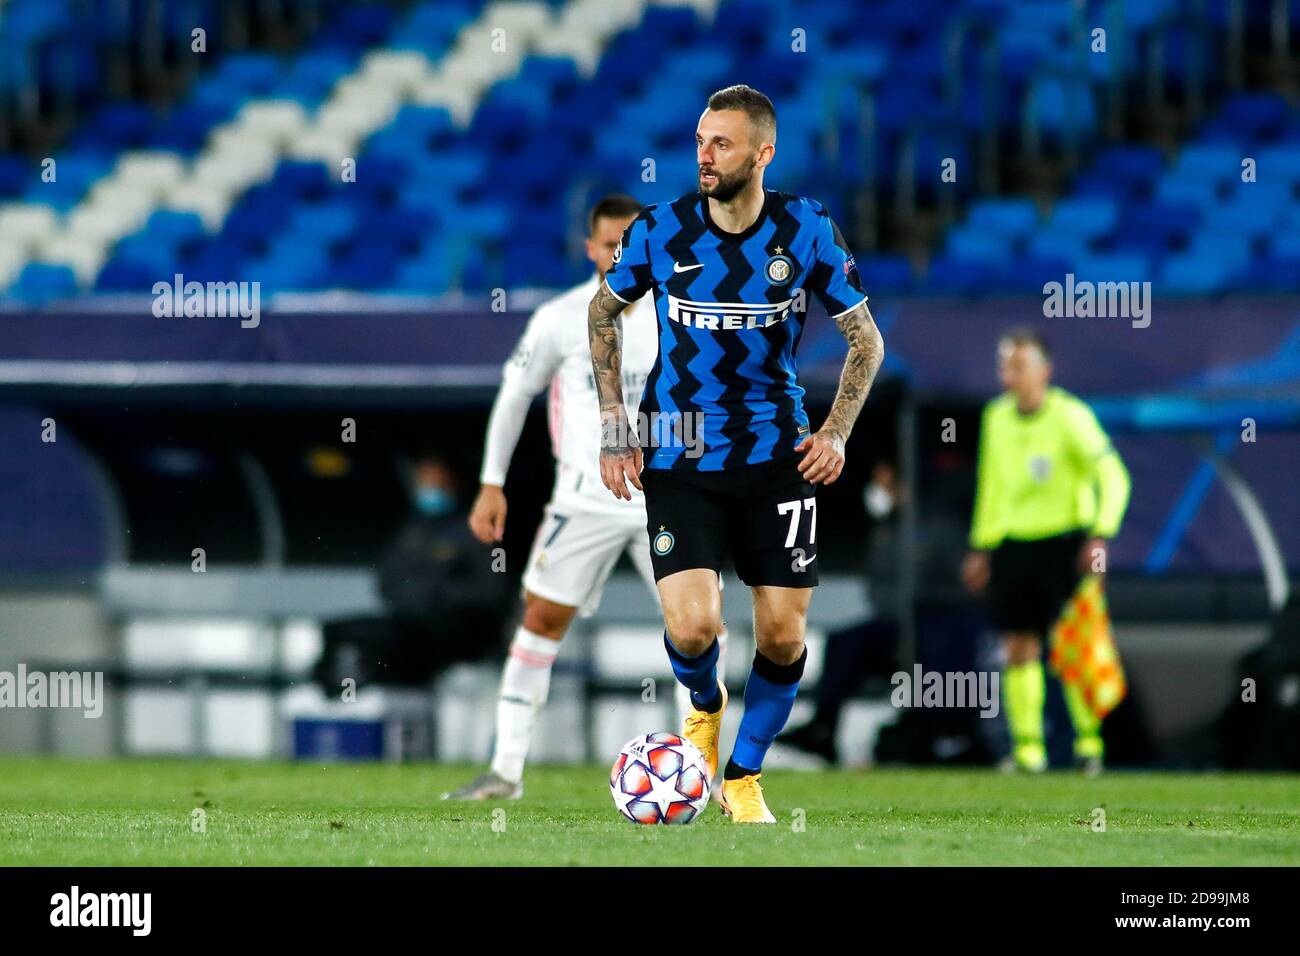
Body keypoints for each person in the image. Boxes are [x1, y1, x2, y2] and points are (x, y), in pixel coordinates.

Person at [589, 85, 885, 822]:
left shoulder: (806, 228)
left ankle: (743, 774)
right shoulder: (661, 231)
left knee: (783, 634)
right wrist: (614, 420)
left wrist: (837, 432)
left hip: (777, 453)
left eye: (720, 143)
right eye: (698, 141)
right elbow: (604, 313)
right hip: (681, 452)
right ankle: (703, 703)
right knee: (694, 628)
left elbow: (865, 340)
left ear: (763, 152)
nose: (703, 156)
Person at [445, 196, 725, 801]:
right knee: (540, 620)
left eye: (630, 241)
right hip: (584, 500)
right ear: (590, 248)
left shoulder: (683, 311)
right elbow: (515, 395)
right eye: (608, 243)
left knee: (696, 632)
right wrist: (492, 483)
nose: (619, 252)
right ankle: (505, 772)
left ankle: (706, 775)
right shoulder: (559, 317)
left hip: (667, 499)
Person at [961, 327, 1131, 773]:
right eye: (1004, 366)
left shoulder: (1070, 417)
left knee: (1072, 647)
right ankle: (1028, 752)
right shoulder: (996, 417)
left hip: (1066, 544)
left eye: (1018, 366)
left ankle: (1088, 746)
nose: (1008, 376)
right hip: (1015, 547)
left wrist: (1100, 534)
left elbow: (1114, 474)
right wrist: (982, 547)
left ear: (1044, 371)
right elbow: (991, 487)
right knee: (1019, 645)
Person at [314, 455, 511, 693]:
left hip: (455, 629)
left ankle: (379, 688)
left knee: (403, 643)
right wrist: (410, 595)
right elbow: (387, 580)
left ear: (452, 484)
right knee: (344, 630)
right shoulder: (412, 531)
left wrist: (438, 594)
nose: (430, 490)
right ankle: (338, 693)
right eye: (424, 483)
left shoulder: (474, 531)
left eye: (437, 483)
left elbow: (493, 591)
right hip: (407, 621)